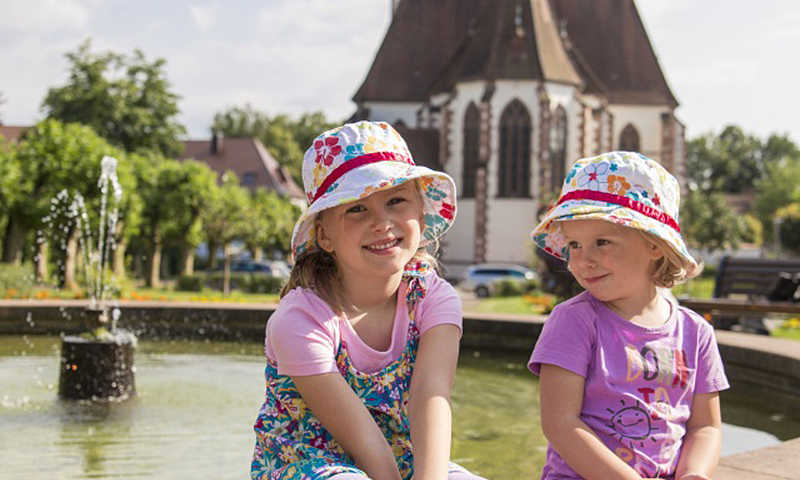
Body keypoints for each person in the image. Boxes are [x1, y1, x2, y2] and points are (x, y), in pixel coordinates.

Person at [251, 121, 485, 480]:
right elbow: (364, 442)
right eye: (357, 209)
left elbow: (431, 398)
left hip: (403, 461)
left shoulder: (433, 299)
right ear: (324, 235)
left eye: (396, 201)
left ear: (421, 214)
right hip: (309, 464)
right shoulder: (301, 319)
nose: (382, 222)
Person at [527, 151, 729, 480]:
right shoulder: (574, 321)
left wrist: (694, 473)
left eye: (602, 242)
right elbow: (560, 424)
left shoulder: (695, 333)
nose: (583, 259)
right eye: (574, 245)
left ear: (655, 245)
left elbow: (705, 426)